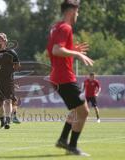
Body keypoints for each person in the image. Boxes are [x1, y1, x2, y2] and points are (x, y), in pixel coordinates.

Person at [46, 0, 94, 156]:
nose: (78, 14)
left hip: (58, 77)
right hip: (64, 77)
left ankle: (62, 140)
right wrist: (77, 54)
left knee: (75, 110)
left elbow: (53, 51)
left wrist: (72, 49)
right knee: (84, 111)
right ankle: (72, 146)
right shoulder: (65, 28)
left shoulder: (56, 27)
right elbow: (56, 50)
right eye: (78, 11)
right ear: (72, 11)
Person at [0, 32, 20, 129]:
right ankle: (2, 121)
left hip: (8, 80)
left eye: (1, 39)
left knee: (8, 100)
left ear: (5, 40)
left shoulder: (11, 53)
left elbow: (17, 65)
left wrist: (9, 73)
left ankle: (8, 120)